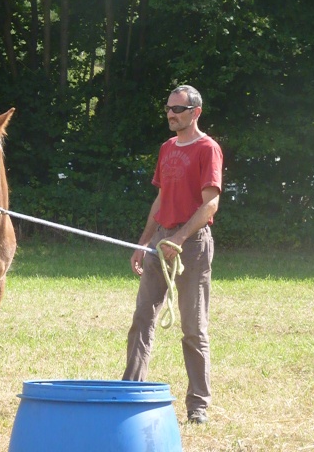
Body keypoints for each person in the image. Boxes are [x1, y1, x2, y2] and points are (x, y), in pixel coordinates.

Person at [122, 85, 223, 425]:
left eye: (178, 109)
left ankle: (198, 405)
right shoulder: (167, 148)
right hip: (160, 240)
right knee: (142, 320)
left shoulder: (207, 149)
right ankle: (130, 391)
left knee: (193, 328)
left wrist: (179, 237)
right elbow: (161, 199)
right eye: (168, 107)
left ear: (196, 112)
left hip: (191, 245)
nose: (170, 113)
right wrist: (144, 241)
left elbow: (211, 202)